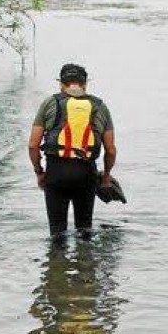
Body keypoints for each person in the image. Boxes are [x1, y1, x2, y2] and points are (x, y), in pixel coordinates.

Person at [28, 64, 116, 236]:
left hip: (56, 172)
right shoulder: (99, 106)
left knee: (57, 233)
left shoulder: (49, 103)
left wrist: (39, 172)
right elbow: (111, 150)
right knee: (84, 231)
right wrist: (105, 178)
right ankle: (84, 260)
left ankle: (57, 261)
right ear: (85, 84)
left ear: (62, 84)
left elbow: (33, 145)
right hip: (86, 173)